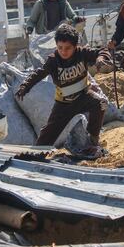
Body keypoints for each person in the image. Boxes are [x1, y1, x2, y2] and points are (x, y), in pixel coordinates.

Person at [16, 24, 109, 157]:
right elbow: (39, 73)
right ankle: (36, 155)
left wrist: (100, 59)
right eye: (60, 48)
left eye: (67, 48)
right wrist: (25, 86)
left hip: (84, 96)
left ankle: (92, 140)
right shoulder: (53, 61)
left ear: (75, 46)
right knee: (49, 133)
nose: (63, 52)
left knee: (100, 103)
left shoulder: (82, 53)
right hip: (64, 103)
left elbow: (102, 51)